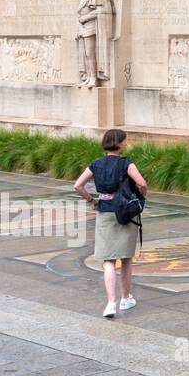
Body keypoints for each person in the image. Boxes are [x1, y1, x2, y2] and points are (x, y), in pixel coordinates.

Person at [73, 129, 147, 318]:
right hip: (125, 213)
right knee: (126, 258)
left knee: (108, 261)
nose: (126, 144)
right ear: (120, 144)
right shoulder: (127, 163)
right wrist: (141, 199)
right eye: (125, 141)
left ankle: (110, 303)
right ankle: (125, 298)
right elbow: (142, 184)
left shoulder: (96, 164)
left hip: (104, 211)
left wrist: (92, 201)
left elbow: (78, 185)